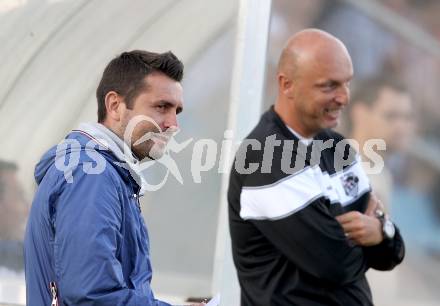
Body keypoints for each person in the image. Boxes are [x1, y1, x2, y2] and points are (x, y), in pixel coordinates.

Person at [228, 29, 405, 305]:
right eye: (329, 86)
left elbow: (391, 254)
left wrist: (382, 232)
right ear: (286, 85)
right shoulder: (265, 156)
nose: (344, 97)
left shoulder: (337, 147)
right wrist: (372, 237)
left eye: (347, 83)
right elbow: (334, 263)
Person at [24, 50, 203, 305]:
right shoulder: (90, 174)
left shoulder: (109, 173)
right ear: (115, 106)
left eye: (177, 111)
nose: (173, 124)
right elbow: (91, 296)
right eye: (162, 107)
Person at [348, 76, 414, 207]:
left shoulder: (382, 175)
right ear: (360, 113)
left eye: (407, 117)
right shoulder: (338, 170)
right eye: (391, 116)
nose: (401, 127)